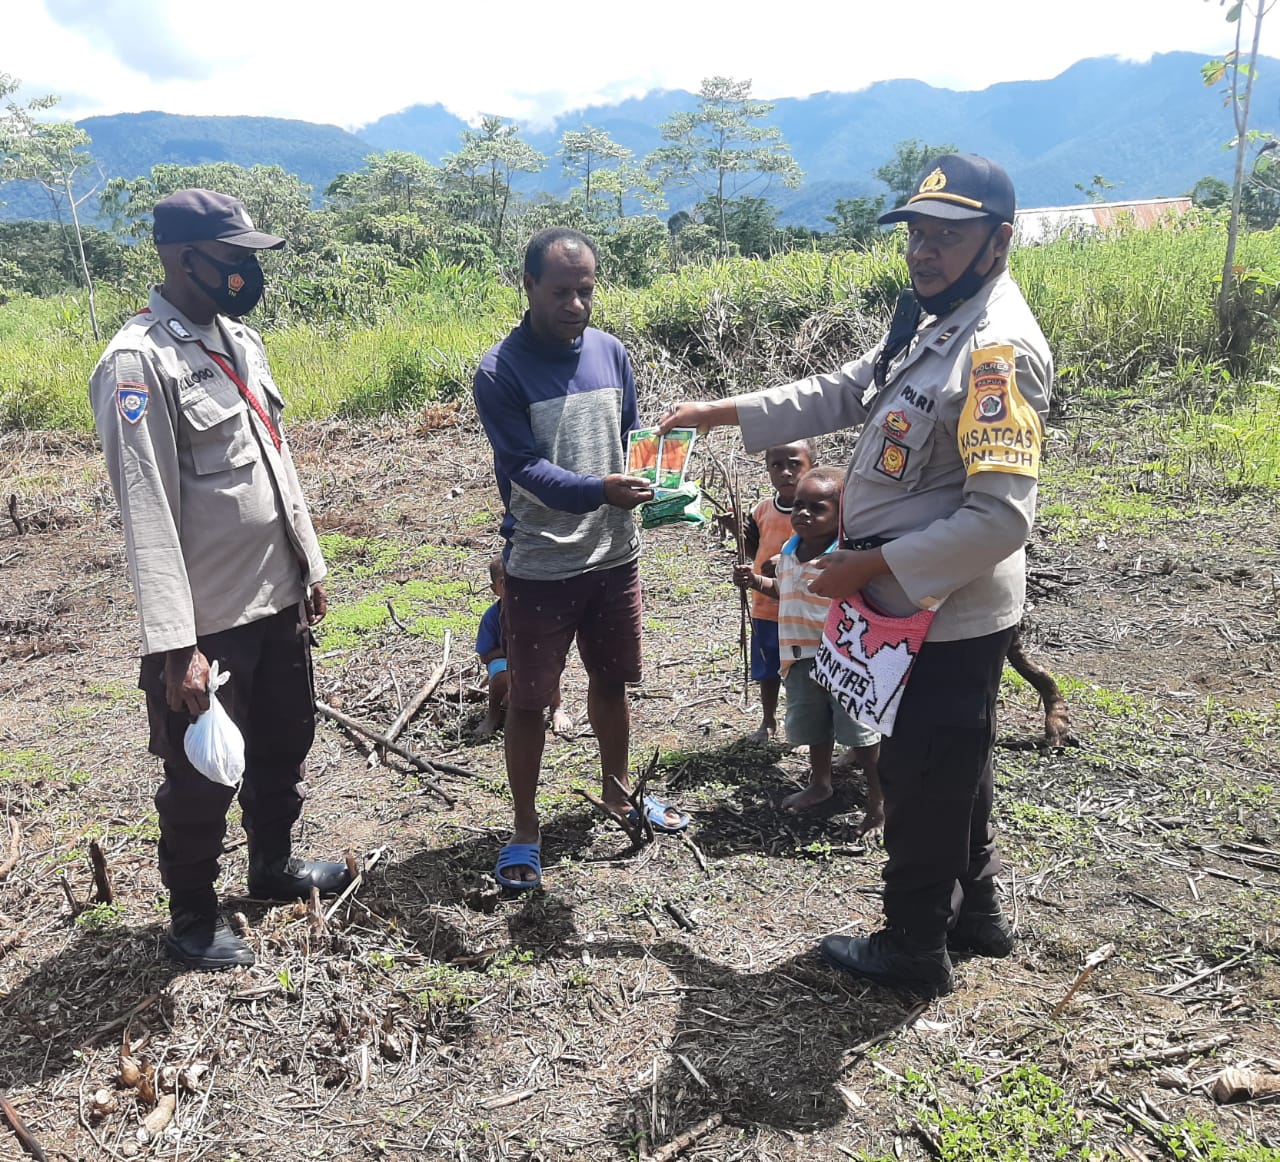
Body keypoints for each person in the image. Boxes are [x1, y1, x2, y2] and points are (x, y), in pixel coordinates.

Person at [659, 154, 1052, 998]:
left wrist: (866, 566)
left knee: (920, 773)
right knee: (957, 764)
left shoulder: (995, 350)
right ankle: (976, 912)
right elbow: (846, 390)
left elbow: (1001, 518)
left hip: (937, 613)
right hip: (904, 606)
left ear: (998, 242)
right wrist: (721, 413)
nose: (923, 249)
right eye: (916, 231)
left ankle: (914, 947)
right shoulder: (934, 318)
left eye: (947, 235)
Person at [89, 189, 351, 970]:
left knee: (283, 743)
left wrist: (309, 564)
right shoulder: (139, 362)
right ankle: (194, 919)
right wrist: (178, 648)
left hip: (276, 599)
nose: (242, 271)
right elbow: (148, 513)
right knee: (202, 777)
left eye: (247, 259)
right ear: (180, 257)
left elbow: (274, 461)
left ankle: (270, 867)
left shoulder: (240, 340)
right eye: (230, 257)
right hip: (209, 621)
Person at [473, 226, 689, 892]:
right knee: (531, 703)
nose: (575, 304)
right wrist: (601, 490)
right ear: (529, 285)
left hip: (615, 556)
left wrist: (664, 487)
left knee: (612, 682)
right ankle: (525, 828)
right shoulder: (500, 371)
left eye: (586, 290)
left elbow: (633, 439)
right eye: (561, 290)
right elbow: (525, 468)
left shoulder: (611, 354)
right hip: (541, 564)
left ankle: (619, 794)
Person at [734, 467, 883, 821]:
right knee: (815, 726)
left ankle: (878, 800)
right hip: (800, 657)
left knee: (860, 734)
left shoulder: (844, 557)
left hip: (844, 662)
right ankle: (821, 783)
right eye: (799, 505)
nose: (803, 514)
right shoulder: (788, 551)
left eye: (817, 509)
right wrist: (755, 580)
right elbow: (786, 591)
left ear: (841, 514)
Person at [738, 441, 814, 744]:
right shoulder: (763, 510)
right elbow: (757, 552)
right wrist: (737, 531)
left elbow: (827, 551)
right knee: (767, 667)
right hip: (767, 606)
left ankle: (812, 729)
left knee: (806, 669)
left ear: (812, 466)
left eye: (795, 464)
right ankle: (768, 720)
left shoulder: (822, 510)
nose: (786, 472)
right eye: (777, 465)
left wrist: (784, 561)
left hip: (805, 610)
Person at [473, 555, 574, 741]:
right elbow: (485, 655)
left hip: (534, 660)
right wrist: (512, 652)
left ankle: (557, 708)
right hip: (504, 662)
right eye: (504, 582)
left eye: (516, 581)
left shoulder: (535, 610)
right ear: (495, 589)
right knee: (501, 673)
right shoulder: (491, 616)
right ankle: (493, 714)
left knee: (550, 667)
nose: (511, 588)